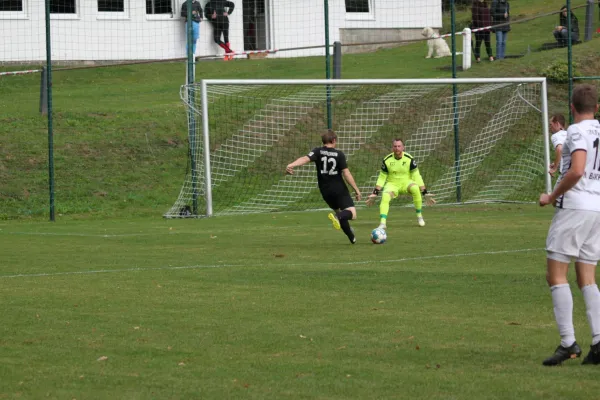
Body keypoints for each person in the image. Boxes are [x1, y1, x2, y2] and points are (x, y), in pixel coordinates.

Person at [539, 84, 600, 366]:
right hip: (597, 209)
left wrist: (552, 195)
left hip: (575, 207)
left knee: (556, 275)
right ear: (596, 107)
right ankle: (598, 342)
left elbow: (576, 169)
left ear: (573, 109)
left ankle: (568, 343)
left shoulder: (576, 130)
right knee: (587, 277)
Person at [286, 130, 362, 244]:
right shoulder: (339, 154)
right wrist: (356, 190)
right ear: (334, 140)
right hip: (339, 189)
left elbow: (305, 158)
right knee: (352, 214)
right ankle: (338, 217)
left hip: (325, 191)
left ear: (323, 141)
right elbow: (346, 173)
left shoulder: (317, 151)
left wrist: (291, 165)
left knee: (339, 212)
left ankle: (352, 237)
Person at [366, 138, 434, 229]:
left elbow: (417, 176)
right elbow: (382, 177)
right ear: (392, 148)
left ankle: (419, 216)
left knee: (415, 188)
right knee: (385, 196)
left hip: (406, 183)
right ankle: (382, 223)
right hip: (392, 184)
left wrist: (424, 192)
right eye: (395, 146)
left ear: (403, 148)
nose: (397, 148)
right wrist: (375, 193)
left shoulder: (409, 159)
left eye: (399, 146)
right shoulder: (387, 160)